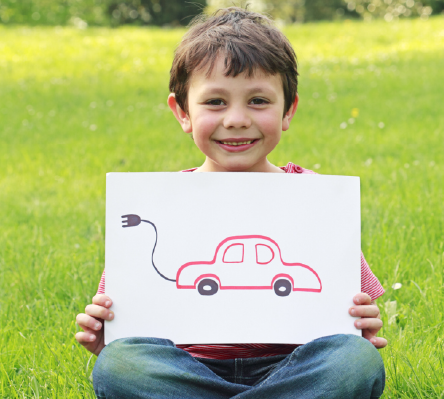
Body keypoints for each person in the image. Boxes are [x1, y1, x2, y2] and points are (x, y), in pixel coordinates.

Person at [74, 8, 386, 398]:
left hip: (293, 366)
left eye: (258, 100)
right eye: (216, 102)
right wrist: (106, 335)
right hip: (187, 368)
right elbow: (126, 308)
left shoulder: (315, 198)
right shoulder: (163, 202)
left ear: (288, 110)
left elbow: (352, 299)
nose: (236, 119)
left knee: (354, 361)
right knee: (121, 365)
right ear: (183, 112)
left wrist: (361, 321)